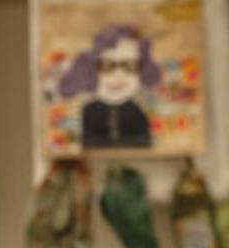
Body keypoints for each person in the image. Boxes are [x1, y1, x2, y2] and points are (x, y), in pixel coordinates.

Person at [57, 24, 160, 152]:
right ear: (91, 69)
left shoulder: (139, 112)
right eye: (107, 65)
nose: (118, 75)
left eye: (130, 65)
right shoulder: (88, 111)